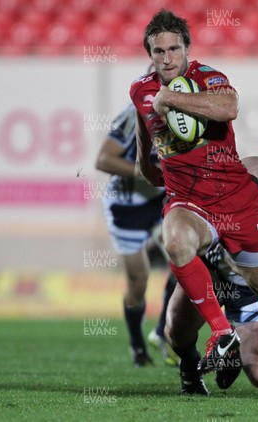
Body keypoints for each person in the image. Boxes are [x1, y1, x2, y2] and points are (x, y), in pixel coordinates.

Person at [130, 10, 258, 400]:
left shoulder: (208, 77)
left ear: (187, 48)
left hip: (234, 202)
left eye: (174, 49)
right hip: (188, 202)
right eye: (158, 51)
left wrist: (171, 99)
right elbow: (146, 132)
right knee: (176, 252)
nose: (167, 58)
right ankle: (219, 333)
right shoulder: (141, 90)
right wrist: (146, 165)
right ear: (149, 53)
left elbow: (229, 108)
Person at [166, 157, 258, 395]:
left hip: (256, 288)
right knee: (175, 330)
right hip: (214, 279)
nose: (252, 198)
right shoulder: (218, 194)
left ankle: (247, 349)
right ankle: (190, 369)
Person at [95, 102, 178, 367]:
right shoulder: (132, 116)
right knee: (138, 282)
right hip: (127, 206)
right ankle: (137, 345)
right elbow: (103, 159)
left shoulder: (185, 110)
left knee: (183, 257)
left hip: (161, 199)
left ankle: (163, 332)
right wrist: (142, 171)